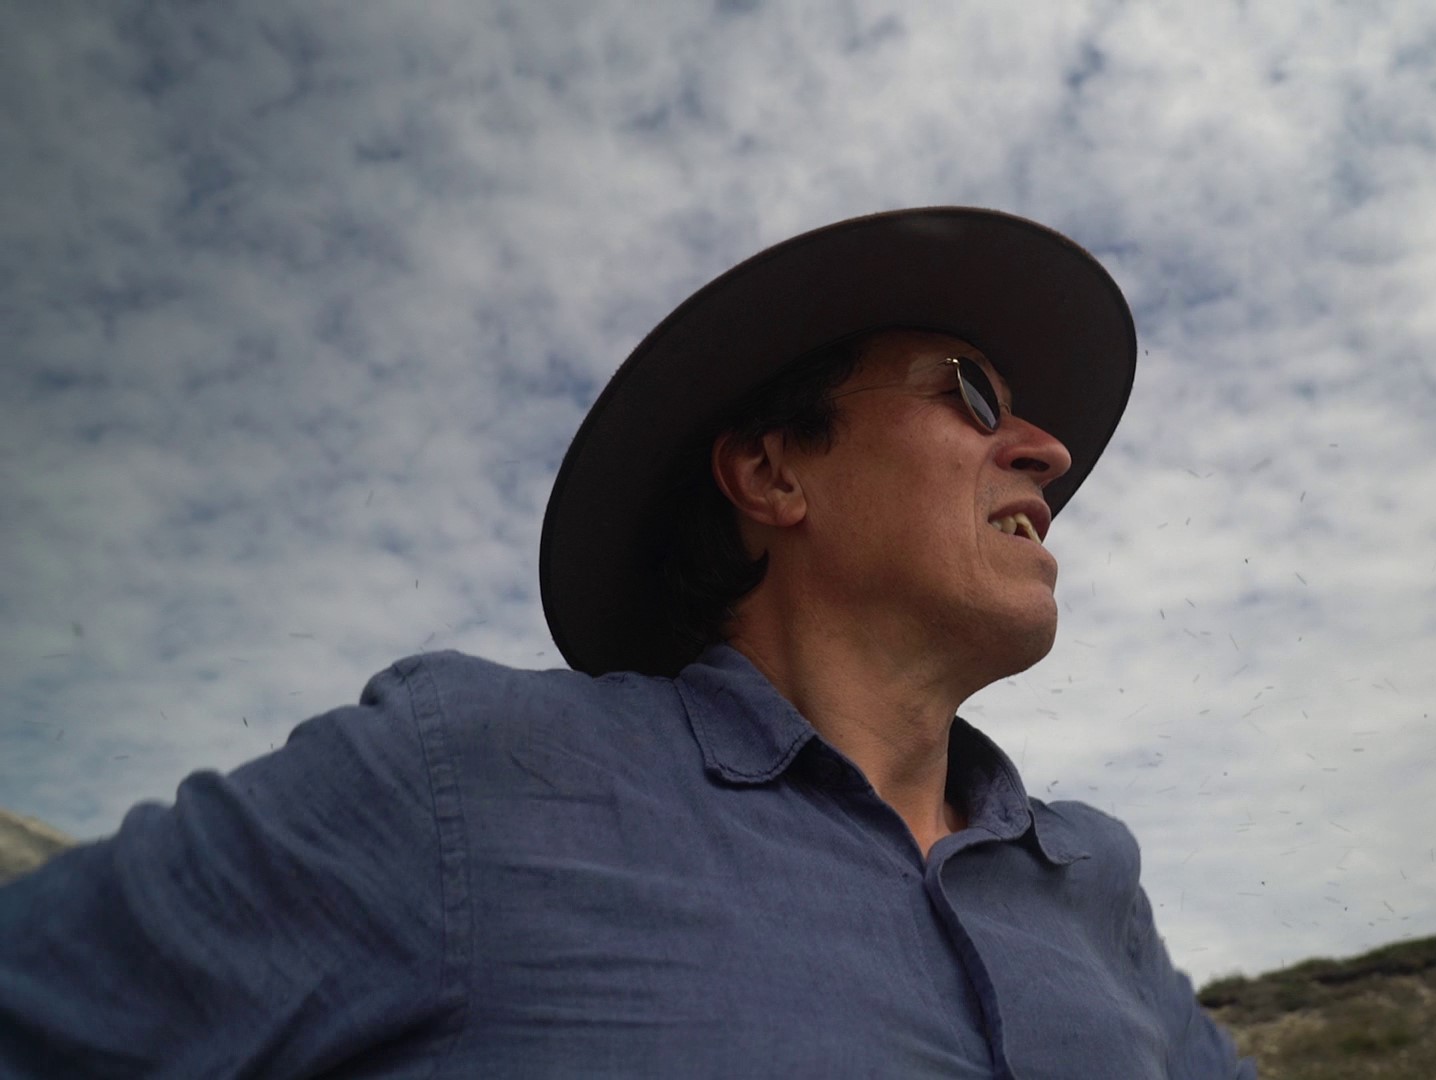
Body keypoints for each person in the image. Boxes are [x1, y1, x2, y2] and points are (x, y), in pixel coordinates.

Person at [0, 207, 1257, 1078]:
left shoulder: (1095, 882)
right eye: (969, 393)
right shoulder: (469, 779)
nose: (1047, 450)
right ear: (772, 472)